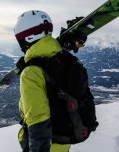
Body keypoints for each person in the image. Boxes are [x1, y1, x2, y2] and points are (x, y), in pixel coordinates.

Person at [14, 10, 96, 152]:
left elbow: (38, 119)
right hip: (64, 139)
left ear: (27, 37)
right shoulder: (62, 57)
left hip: (48, 144)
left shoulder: (31, 72)